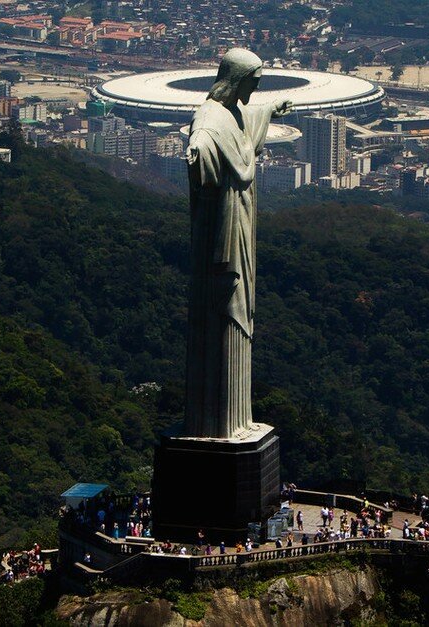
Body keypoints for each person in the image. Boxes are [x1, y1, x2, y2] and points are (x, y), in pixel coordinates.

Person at [184, 47, 293, 438]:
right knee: (221, 310)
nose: (257, 88)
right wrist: (197, 153)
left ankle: (237, 420)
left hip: (242, 222)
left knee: (239, 311)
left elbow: (245, 121)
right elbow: (204, 138)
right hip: (223, 229)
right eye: (254, 81)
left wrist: (271, 108)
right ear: (237, 79)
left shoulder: (233, 112)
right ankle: (218, 424)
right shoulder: (211, 117)